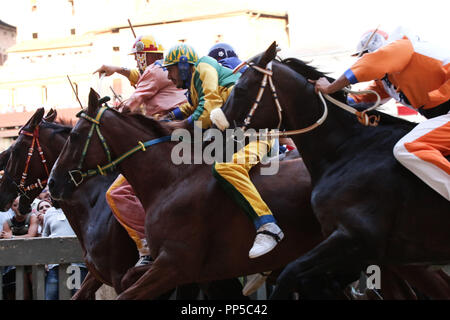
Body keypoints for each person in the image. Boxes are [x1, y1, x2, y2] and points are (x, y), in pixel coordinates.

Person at [163, 43, 285, 258]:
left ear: (183, 65)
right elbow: (193, 106)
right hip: (235, 133)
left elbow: (209, 106)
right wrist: (168, 118)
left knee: (225, 169)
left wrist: (182, 125)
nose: (168, 76)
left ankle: (268, 226)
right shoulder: (194, 82)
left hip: (253, 134)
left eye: (170, 69)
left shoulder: (203, 67)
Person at [311, 29, 450, 201]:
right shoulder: (388, 80)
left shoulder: (400, 46)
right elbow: (363, 98)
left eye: (365, 55)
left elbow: (369, 65)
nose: (363, 59)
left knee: (407, 148)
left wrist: (330, 86)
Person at [95, 35, 189, 267]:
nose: (137, 61)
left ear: (152, 56)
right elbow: (140, 78)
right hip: (182, 134)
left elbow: (133, 102)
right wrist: (117, 69)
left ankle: (148, 242)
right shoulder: (161, 70)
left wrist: (108, 115)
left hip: (168, 137)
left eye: (139, 55)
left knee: (116, 193)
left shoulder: (156, 71)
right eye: (136, 57)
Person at [41, 201, 88, 300]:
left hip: (77, 262)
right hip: (55, 263)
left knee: (77, 295)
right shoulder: (49, 212)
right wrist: (45, 260)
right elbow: (45, 236)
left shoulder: (77, 207)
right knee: (51, 295)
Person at [1, 197, 38, 300]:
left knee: (37, 291)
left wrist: (12, 237)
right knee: (23, 294)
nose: (18, 208)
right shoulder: (7, 222)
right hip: (16, 261)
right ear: (11, 208)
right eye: (15, 205)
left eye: (20, 205)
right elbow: (6, 241)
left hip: (32, 258)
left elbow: (31, 236)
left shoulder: (32, 217)